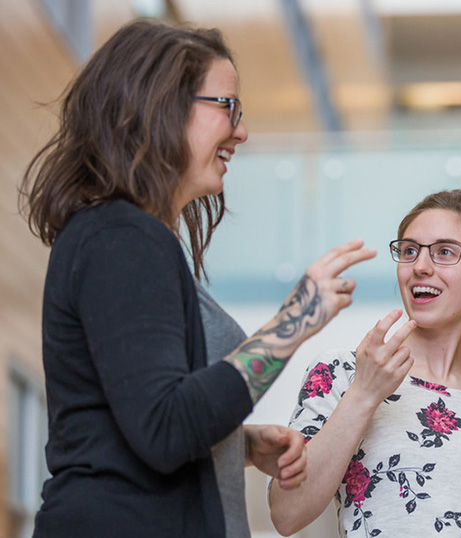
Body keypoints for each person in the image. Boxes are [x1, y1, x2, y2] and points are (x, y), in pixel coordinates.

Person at [19, 20, 374, 538]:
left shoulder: (124, 238)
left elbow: (138, 420)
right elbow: (164, 428)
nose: (242, 131)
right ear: (161, 106)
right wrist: (293, 323)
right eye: (227, 107)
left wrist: (236, 446)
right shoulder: (122, 238)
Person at [269, 183, 461, 537]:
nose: (419, 266)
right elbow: (287, 514)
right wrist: (363, 394)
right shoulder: (344, 373)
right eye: (409, 251)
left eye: (445, 252)